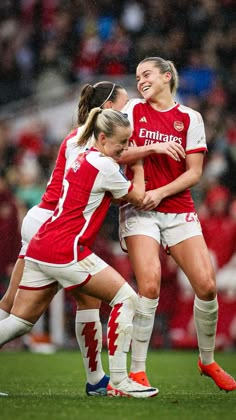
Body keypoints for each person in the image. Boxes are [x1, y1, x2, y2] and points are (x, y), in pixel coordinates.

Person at [0, 80, 185, 397]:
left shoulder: (86, 140)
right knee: (113, 297)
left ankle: (97, 380)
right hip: (54, 226)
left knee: (39, 311)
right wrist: (149, 151)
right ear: (109, 110)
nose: (129, 112)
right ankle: (113, 379)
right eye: (124, 106)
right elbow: (121, 179)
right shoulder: (86, 143)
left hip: (51, 230)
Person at [119, 56, 236, 392]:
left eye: (147, 74)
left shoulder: (190, 118)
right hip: (140, 208)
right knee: (150, 285)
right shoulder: (132, 111)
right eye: (137, 76)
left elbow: (195, 172)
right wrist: (153, 147)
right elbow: (116, 153)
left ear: (167, 76)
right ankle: (138, 371)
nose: (140, 80)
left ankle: (208, 359)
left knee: (207, 286)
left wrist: (161, 192)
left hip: (176, 206)